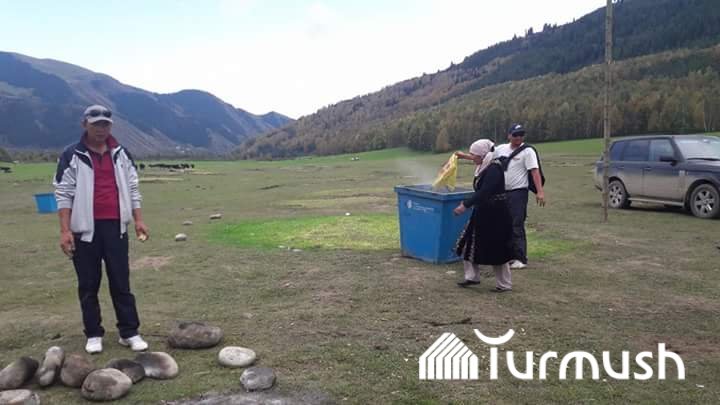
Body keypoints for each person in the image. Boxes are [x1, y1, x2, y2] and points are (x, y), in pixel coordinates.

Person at [54, 104, 149, 354]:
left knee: (121, 282)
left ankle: (129, 332)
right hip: (84, 230)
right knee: (88, 284)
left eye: (105, 124)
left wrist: (138, 219)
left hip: (116, 228)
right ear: (85, 124)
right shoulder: (72, 155)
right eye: (95, 124)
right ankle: (94, 333)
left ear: (110, 126)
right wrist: (65, 231)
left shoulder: (121, 153)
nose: (101, 129)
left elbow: (133, 188)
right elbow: (63, 193)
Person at [453, 139, 513, 292]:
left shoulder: (494, 169)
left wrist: (465, 205)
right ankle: (472, 277)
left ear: (482, 155)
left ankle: (504, 284)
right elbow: (477, 157)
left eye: (474, 155)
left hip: (497, 214)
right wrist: (462, 156)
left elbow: (484, 192)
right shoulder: (484, 163)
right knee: (468, 242)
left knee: (497, 247)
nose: (472, 158)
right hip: (482, 211)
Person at [495, 124, 546, 269]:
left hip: (518, 193)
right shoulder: (500, 149)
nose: (519, 137)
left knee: (516, 224)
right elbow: (485, 158)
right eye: (515, 134)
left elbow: (534, 171)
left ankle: (520, 258)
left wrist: (540, 191)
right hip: (502, 192)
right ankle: (508, 255)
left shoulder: (528, 151)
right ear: (509, 135)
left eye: (521, 135)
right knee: (503, 224)